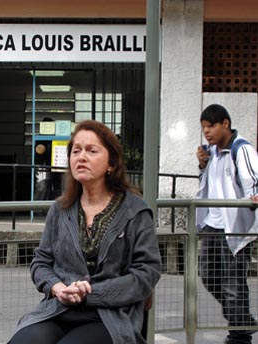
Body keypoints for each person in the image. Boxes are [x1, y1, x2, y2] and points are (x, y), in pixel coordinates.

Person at [9, 120, 162, 344]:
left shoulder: (135, 211)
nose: (81, 157)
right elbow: (41, 262)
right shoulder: (60, 209)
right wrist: (57, 287)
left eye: (92, 151)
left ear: (111, 163)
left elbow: (146, 273)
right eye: (76, 151)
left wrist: (89, 294)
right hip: (59, 309)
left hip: (111, 315)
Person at [196, 103, 258, 344]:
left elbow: (253, 180)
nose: (207, 132)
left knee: (233, 283)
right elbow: (207, 184)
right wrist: (202, 165)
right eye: (204, 128)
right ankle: (243, 320)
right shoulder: (209, 152)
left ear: (226, 124)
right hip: (212, 224)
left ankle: (239, 334)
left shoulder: (241, 150)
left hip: (234, 227)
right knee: (208, 276)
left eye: (211, 126)